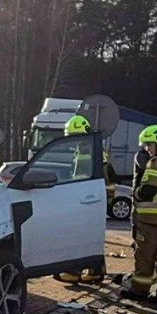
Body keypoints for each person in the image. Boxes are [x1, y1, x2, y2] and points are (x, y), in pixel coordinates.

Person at [119, 124, 157, 305]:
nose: (147, 149)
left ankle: (139, 290)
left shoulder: (155, 162)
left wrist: (135, 193)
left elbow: (148, 189)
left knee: (144, 256)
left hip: (149, 219)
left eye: (149, 144)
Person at [56, 114, 104, 284]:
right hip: (92, 199)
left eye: (74, 136)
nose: (73, 140)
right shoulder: (91, 150)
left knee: (79, 237)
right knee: (92, 238)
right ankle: (96, 271)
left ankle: (73, 272)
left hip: (86, 200)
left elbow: (83, 179)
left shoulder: (86, 151)